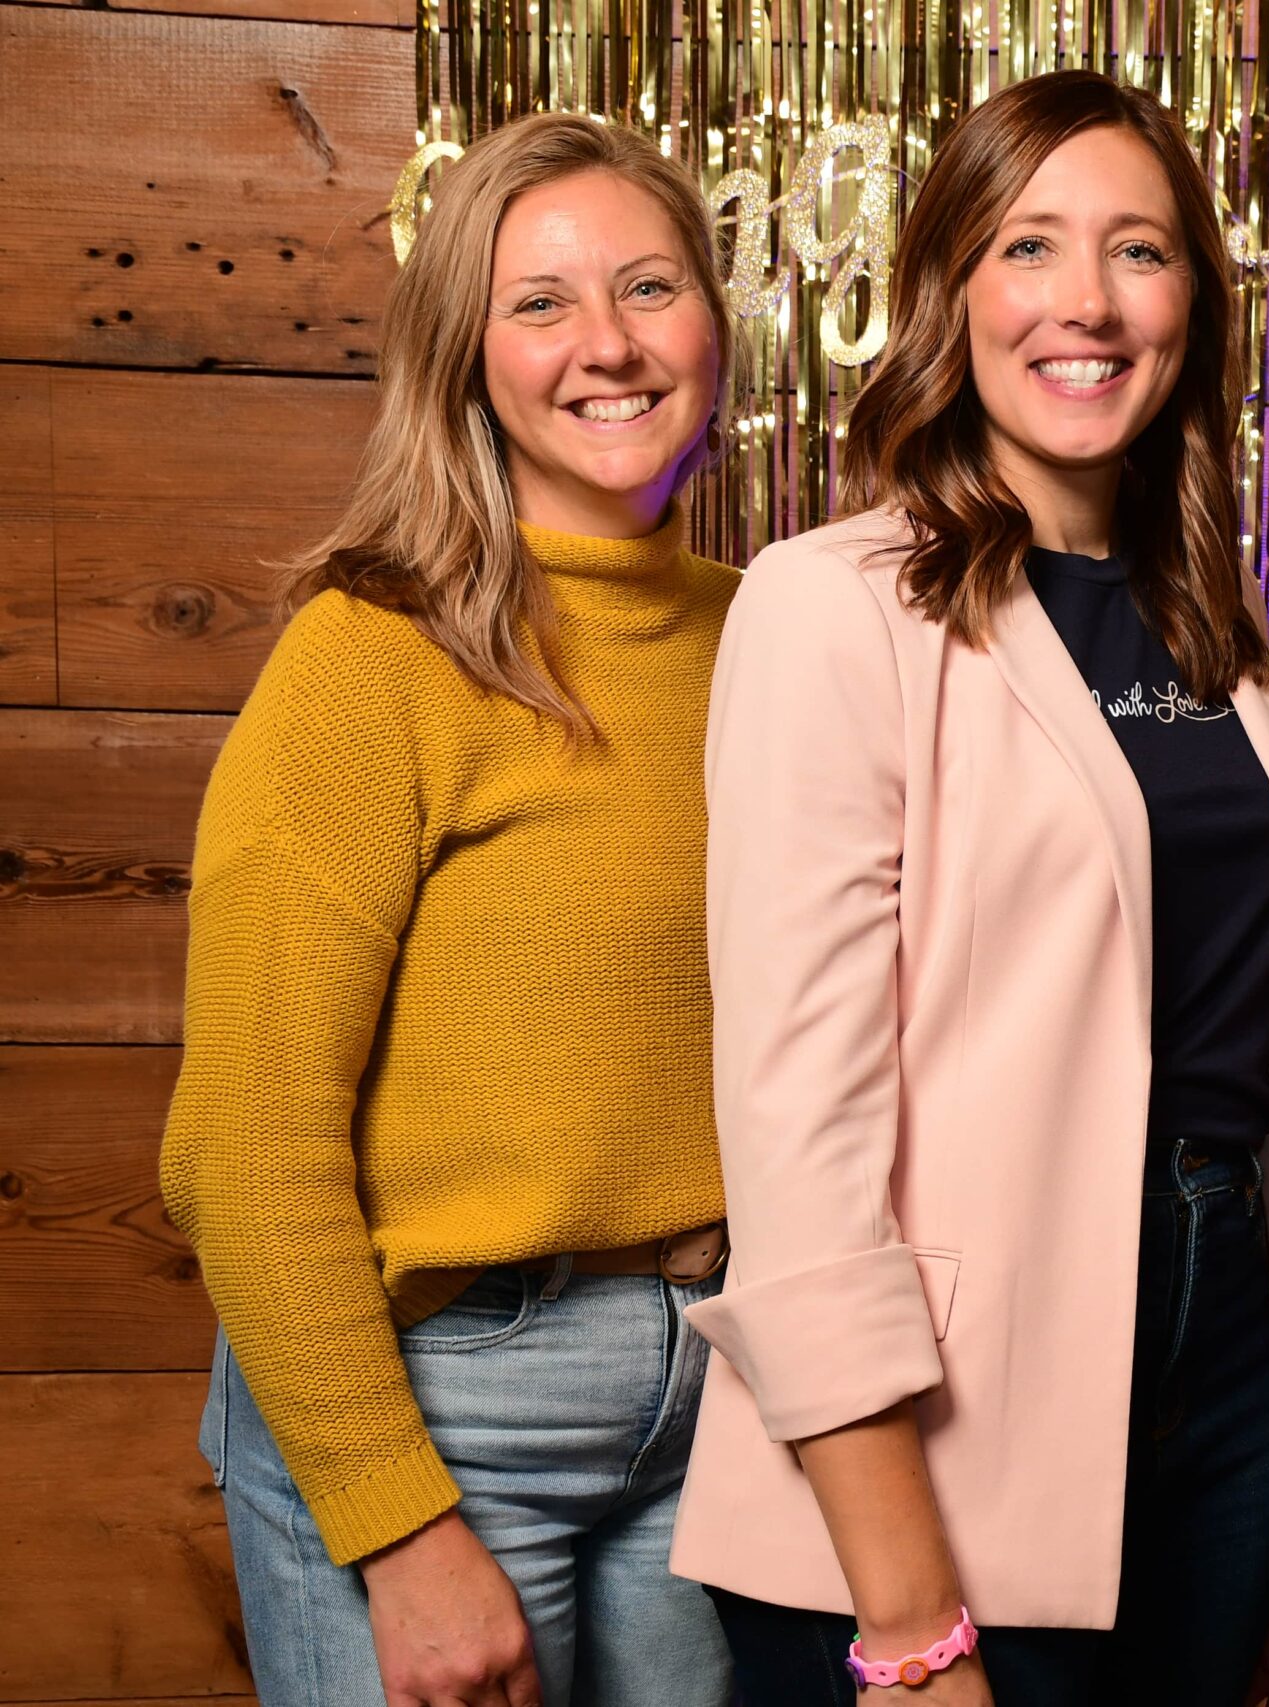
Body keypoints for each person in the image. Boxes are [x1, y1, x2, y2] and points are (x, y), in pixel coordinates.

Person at [671, 70, 1269, 1707]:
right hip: (942, 1433)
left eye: (1141, 250)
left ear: (1193, 298)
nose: (1089, 304)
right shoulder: (833, 608)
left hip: (1225, 1389)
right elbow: (798, 1143)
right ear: (953, 288)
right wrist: (911, 1620)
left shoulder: (1221, 640)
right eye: (1030, 246)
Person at [160, 112, 740, 1707]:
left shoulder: (774, 642)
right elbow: (245, 1141)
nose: (607, 344)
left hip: (719, 1405)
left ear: (714, 325)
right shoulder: (374, 659)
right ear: (463, 357)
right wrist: (398, 1528)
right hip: (437, 1401)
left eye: (647, 286)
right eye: (538, 302)